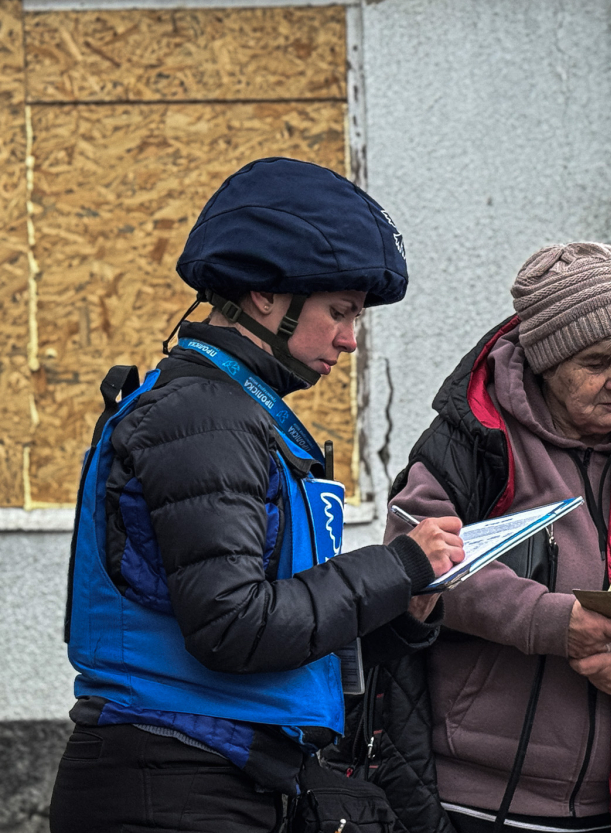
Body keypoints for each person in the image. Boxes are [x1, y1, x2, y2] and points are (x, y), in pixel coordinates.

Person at [50, 157, 466, 833]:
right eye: (339, 311)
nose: (350, 339)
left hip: (211, 777)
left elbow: (282, 621)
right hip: (170, 787)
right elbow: (231, 626)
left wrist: (402, 605)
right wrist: (395, 565)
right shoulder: (202, 417)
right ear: (264, 295)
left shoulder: (237, 413)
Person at [379, 242, 611, 833]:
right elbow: (416, 560)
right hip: (473, 794)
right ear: (547, 364)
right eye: (598, 362)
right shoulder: (473, 441)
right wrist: (551, 620)